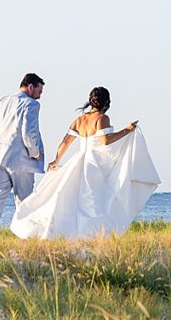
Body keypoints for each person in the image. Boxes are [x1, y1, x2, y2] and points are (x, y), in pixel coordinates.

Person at [9, 86, 160, 239]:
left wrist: (57, 160)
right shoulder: (102, 118)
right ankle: (91, 233)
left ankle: (71, 231)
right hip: (94, 163)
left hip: (78, 159)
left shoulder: (80, 120)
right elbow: (105, 140)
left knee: (72, 198)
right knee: (94, 200)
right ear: (106, 102)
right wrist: (127, 130)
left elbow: (66, 142)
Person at [0, 73, 46, 236]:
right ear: (30, 87)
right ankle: (27, 235)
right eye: (39, 91)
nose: (40, 96)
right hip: (19, 159)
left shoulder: (1, 101)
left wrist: (4, 140)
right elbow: (28, 133)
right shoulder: (31, 104)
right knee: (24, 199)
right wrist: (35, 153)